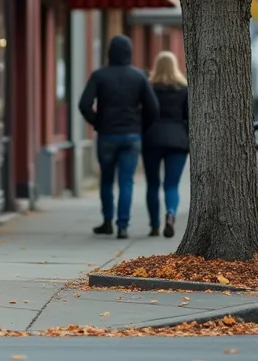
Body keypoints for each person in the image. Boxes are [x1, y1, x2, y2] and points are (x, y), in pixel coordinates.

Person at [78, 35, 158, 239]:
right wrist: (141, 127)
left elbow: (84, 104)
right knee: (126, 181)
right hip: (131, 135)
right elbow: (153, 108)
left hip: (107, 135)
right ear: (129, 52)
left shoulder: (99, 75)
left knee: (106, 180)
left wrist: (97, 122)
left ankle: (107, 221)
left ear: (110, 52)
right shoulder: (138, 76)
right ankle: (123, 225)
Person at [143, 51, 190, 239]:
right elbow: (188, 117)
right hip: (177, 140)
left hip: (152, 139)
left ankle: (154, 225)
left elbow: (144, 113)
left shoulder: (149, 87)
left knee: (152, 184)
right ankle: (170, 213)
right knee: (172, 185)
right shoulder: (184, 88)